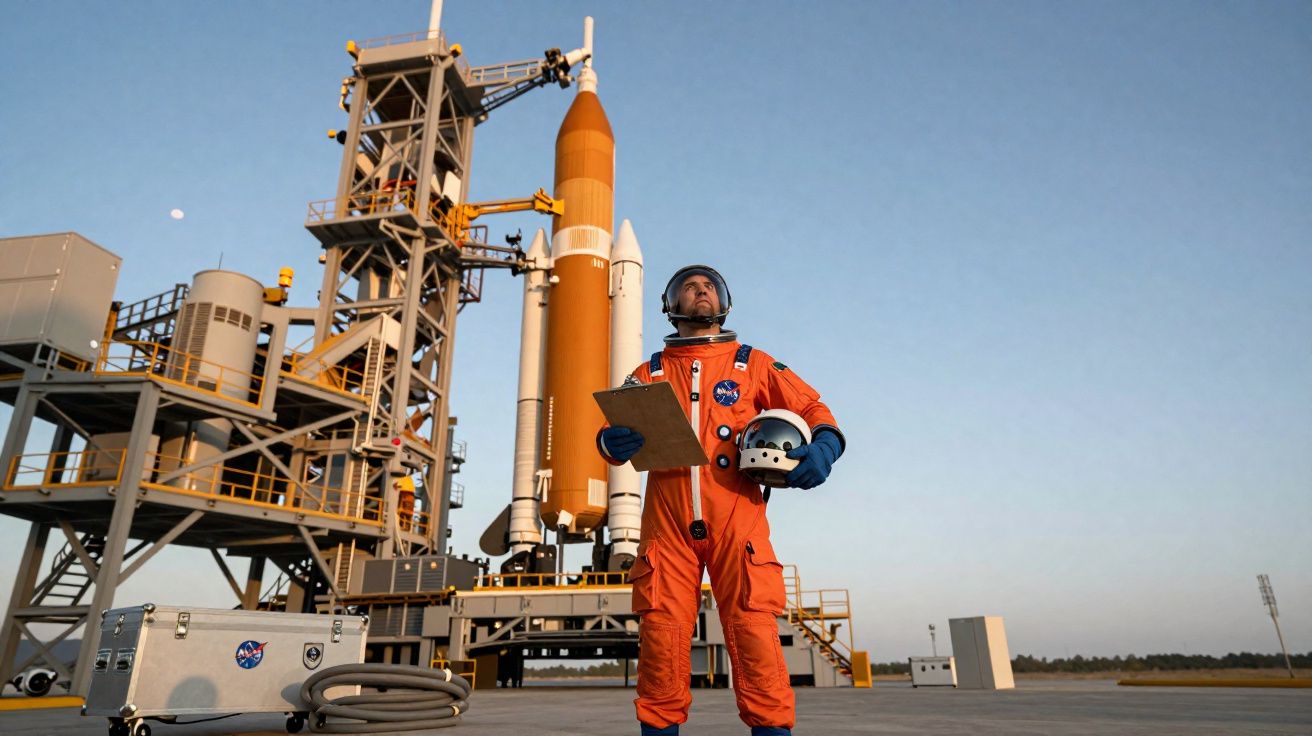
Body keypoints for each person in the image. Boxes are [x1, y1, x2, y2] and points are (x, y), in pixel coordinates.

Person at [596, 265, 845, 736]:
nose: (701, 291)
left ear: (724, 301)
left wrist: (825, 446)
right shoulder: (649, 373)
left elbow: (813, 408)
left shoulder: (752, 364)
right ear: (671, 305)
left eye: (709, 286)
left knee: (755, 636)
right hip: (667, 527)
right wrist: (610, 441)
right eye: (690, 287)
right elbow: (611, 428)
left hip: (738, 519)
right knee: (661, 641)